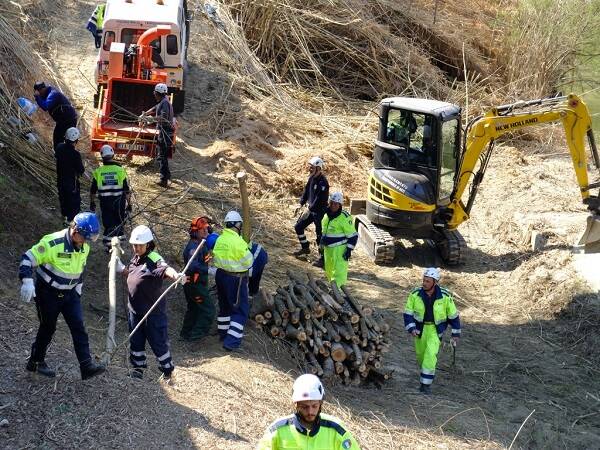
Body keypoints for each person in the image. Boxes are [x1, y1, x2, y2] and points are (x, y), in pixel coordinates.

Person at [18, 212, 106, 380]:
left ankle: (86, 366)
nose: (86, 242)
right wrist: (27, 280)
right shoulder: (53, 242)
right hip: (47, 293)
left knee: (78, 327)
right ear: (75, 231)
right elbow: (27, 258)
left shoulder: (84, 248)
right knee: (48, 327)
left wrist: (78, 289)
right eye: (84, 237)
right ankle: (35, 362)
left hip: (70, 294)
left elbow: (80, 270)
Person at [116, 225, 186, 380]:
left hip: (152, 312)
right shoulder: (135, 258)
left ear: (148, 244)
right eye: (134, 245)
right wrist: (121, 269)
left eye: (140, 245)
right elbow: (134, 275)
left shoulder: (153, 258)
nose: (136, 248)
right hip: (135, 309)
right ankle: (137, 369)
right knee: (136, 340)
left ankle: (167, 371)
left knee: (157, 341)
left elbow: (165, 269)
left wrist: (176, 276)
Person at [257, 374, 361, 449]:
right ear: (296, 405)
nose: (310, 411)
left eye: (314, 406)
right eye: (304, 407)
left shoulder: (336, 429)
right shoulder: (277, 430)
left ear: (320, 403)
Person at [403, 268, 461, 395]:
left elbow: (453, 316)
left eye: (428, 281)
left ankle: (425, 385)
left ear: (435, 282)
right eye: (424, 280)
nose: (424, 283)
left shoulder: (445, 296)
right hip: (420, 330)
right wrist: (411, 328)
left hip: (435, 330)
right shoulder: (415, 294)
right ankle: (425, 374)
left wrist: (455, 334)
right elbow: (408, 313)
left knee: (430, 355)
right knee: (421, 356)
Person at [211, 211, 254, 351]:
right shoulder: (238, 242)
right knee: (240, 309)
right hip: (236, 279)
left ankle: (223, 334)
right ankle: (232, 342)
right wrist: (248, 250)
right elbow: (248, 262)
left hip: (220, 275)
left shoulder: (220, 239)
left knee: (224, 307)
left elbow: (215, 257)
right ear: (237, 224)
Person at [179, 217, 216, 341]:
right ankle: (197, 336)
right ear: (196, 231)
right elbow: (193, 265)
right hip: (194, 285)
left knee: (194, 308)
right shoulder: (193, 247)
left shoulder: (201, 244)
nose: (206, 231)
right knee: (208, 309)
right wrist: (208, 270)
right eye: (203, 229)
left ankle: (185, 334)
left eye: (207, 229)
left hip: (196, 283)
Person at [90, 144, 131, 251]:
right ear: (113, 155)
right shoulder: (120, 170)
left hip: (105, 203)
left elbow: (93, 190)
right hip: (119, 203)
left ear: (102, 157)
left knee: (108, 224)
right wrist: (129, 204)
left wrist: (92, 202)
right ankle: (118, 246)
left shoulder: (98, 172)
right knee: (119, 222)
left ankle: (109, 246)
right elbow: (126, 190)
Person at [293, 156, 329, 267]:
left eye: (312, 168)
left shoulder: (323, 183)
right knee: (298, 227)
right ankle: (305, 248)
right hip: (311, 209)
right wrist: (300, 203)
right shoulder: (311, 178)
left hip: (319, 212)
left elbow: (319, 200)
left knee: (319, 236)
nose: (310, 169)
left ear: (318, 168)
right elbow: (306, 192)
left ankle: (323, 259)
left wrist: (308, 208)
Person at [321, 192, 358, 288]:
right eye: (332, 203)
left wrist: (349, 250)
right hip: (328, 249)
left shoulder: (345, 217)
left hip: (339, 250)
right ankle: (331, 289)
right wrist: (322, 242)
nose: (333, 205)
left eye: (336, 204)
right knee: (329, 270)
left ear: (340, 205)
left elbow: (353, 236)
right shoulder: (326, 215)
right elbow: (324, 230)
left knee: (339, 273)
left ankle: (338, 293)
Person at [141, 83, 175, 187]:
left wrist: (150, 119)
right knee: (163, 156)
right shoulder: (164, 101)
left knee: (161, 156)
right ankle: (167, 176)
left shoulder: (164, 103)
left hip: (165, 134)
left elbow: (163, 118)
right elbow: (155, 108)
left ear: (157, 93)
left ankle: (163, 180)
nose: (154, 95)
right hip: (166, 133)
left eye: (154, 93)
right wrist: (144, 114)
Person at [33, 81, 78, 150]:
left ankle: (67, 155)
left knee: (68, 139)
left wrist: (37, 97)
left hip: (69, 119)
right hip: (62, 120)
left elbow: (45, 106)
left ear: (43, 89)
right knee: (58, 139)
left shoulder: (53, 94)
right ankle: (61, 154)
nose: (39, 94)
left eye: (39, 92)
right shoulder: (46, 93)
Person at [55, 127, 85, 226]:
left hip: (60, 179)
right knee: (73, 201)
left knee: (63, 197)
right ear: (76, 140)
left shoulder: (59, 147)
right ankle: (70, 222)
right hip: (71, 182)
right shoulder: (75, 155)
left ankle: (64, 216)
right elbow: (81, 170)